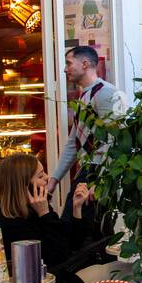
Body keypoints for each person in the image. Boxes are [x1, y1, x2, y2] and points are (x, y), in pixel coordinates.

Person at [0, 152, 99, 283]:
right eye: (41, 176)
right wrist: (45, 215)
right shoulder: (11, 223)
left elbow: (71, 243)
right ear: (24, 185)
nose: (48, 178)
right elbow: (59, 256)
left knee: (117, 272)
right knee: (119, 279)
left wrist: (77, 208)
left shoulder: (37, 210)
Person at [47, 46, 124, 223]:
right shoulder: (86, 95)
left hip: (96, 172)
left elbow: (116, 139)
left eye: (68, 63)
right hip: (88, 170)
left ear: (84, 64)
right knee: (81, 229)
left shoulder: (104, 92)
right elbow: (73, 143)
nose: (65, 69)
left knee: (80, 229)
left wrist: (102, 180)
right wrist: (54, 179)